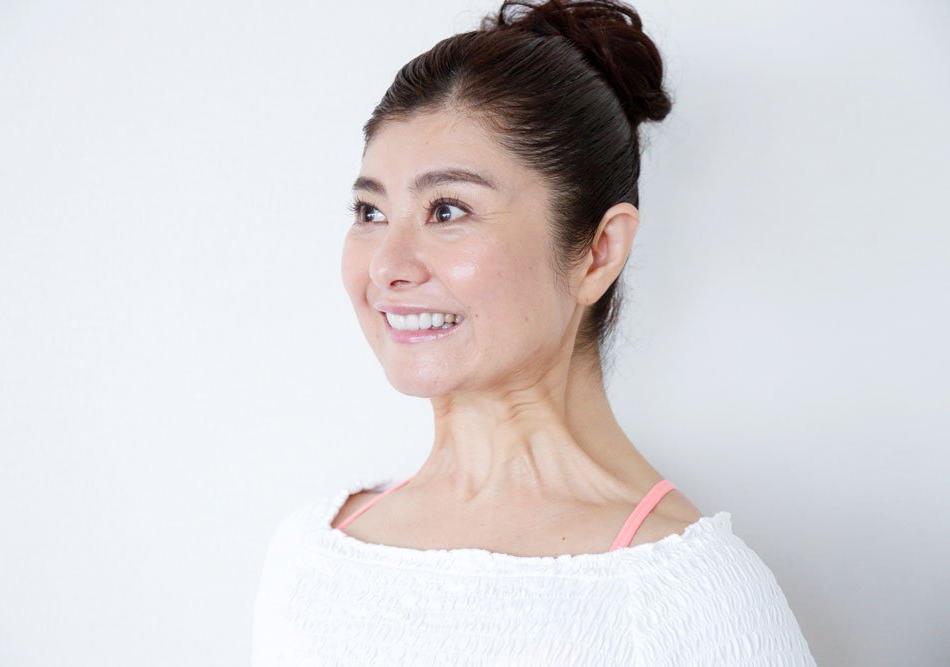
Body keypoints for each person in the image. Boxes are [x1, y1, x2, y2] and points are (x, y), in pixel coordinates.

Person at [253, 0, 816, 664]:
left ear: (598, 252)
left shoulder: (692, 596)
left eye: (447, 209)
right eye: (369, 211)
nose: (386, 266)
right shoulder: (310, 554)